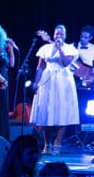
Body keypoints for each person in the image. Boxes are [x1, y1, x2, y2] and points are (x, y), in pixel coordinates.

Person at [31, 25, 80, 154]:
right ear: (53, 35)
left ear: (65, 35)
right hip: (47, 80)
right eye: (57, 34)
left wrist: (59, 49)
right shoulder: (45, 48)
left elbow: (65, 63)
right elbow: (40, 67)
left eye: (61, 34)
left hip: (63, 81)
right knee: (47, 112)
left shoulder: (70, 49)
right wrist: (36, 82)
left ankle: (57, 145)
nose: (59, 36)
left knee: (61, 113)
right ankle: (47, 145)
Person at [73, 25, 94, 119]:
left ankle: (86, 122)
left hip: (87, 78)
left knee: (86, 102)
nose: (83, 39)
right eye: (82, 36)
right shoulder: (73, 46)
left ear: (90, 38)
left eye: (86, 37)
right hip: (74, 77)